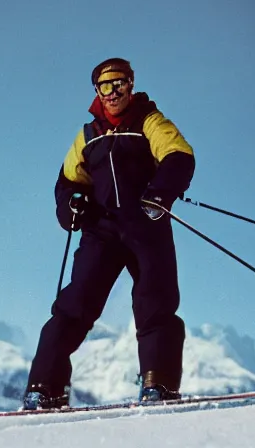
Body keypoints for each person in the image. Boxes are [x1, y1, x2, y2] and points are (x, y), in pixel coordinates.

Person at [22, 57, 196, 410]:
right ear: (97, 92)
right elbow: (69, 181)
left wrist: (160, 193)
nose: (113, 92)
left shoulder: (150, 122)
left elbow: (179, 155)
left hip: (146, 225)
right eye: (106, 86)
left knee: (155, 302)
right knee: (74, 306)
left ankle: (158, 385)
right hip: (101, 231)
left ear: (131, 85)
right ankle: (45, 388)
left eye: (120, 84)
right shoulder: (87, 136)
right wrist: (70, 204)